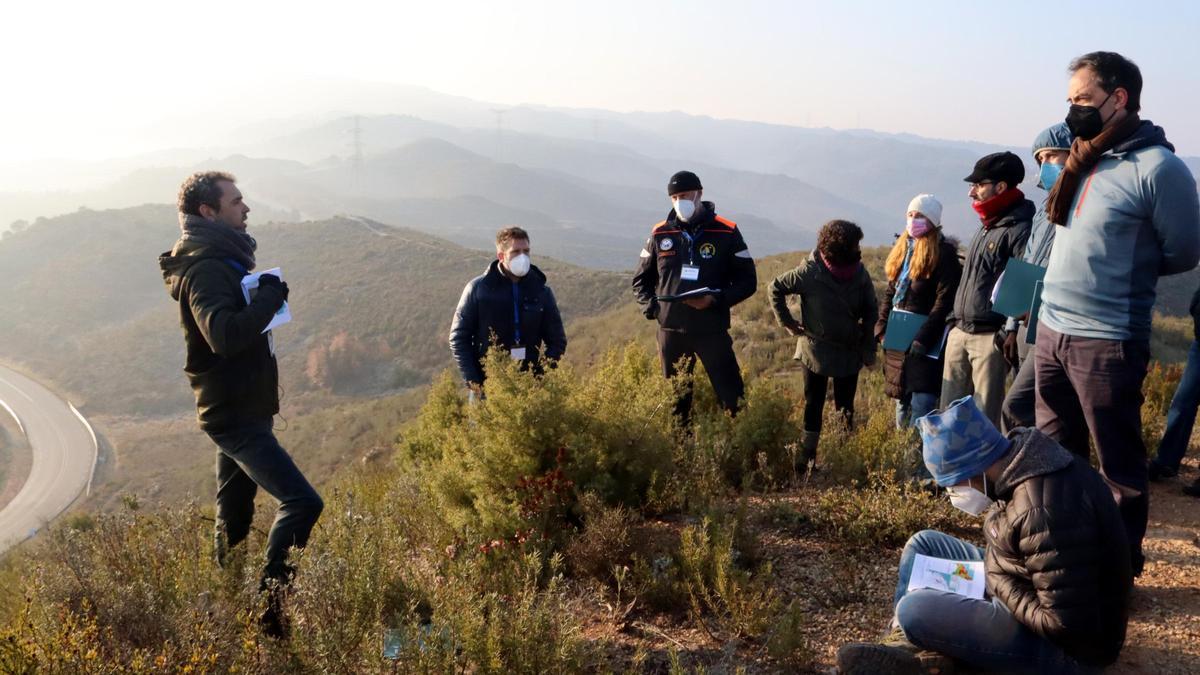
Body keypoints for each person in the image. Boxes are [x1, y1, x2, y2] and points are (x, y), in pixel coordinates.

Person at [1035, 51, 1200, 574]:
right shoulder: (1083, 159)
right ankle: (1066, 555)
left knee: (1118, 466)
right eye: (1070, 100)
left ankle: (1118, 568)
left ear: (1119, 98)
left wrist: (1128, 271)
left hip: (1107, 339)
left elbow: (1185, 251)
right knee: (1055, 454)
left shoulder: (1160, 168)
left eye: (1082, 99)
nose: (1072, 110)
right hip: (1052, 328)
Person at [837, 396, 1132, 675]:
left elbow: (1064, 624)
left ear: (972, 468)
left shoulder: (1040, 510)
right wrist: (995, 576)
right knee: (923, 543)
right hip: (1023, 582)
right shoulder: (1022, 462)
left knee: (913, 608)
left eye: (952, 485)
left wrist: (996, 582)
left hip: (1068, 653)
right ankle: (907, 644)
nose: (952, 495)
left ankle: (919, 641)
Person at [159, 171, 323, 637]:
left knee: (234, 512)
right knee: (302, 502)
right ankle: (270, 615)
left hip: (239, 407)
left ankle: (225, 602)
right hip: (233, 414)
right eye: (236, 201)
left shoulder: (220, 258)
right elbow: (225, 336)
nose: (245, 208)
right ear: (208, 212)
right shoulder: (207, 267)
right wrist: (269, 300)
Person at [632, 171, 757, 422]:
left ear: (699, 193)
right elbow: (640, 281)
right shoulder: (659, 233)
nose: (680, 201)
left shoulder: (727, 231)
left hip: (711, 330)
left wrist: (716, 300)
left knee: (733, 399)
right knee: (676, 404)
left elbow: (747, 282)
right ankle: (681, 457)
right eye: (675, 197)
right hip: (671, 332)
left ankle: (745, 453)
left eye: (685, 195)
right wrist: (654, 310)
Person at [769, 220, 877, 468]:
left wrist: (868, 348)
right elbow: (775, 288)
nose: (858, 249)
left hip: (849, 350)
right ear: (840, 247)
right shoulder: (809, 272)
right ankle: (806, 460)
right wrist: (786, 322)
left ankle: (843, 459)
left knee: (845, 408)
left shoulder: (859, 273)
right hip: (814, 350)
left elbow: (871, 312)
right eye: (854, 244)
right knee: (813, 404)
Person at [940, 151, 1033, 426]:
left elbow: (1022, 286)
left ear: (1001, 187)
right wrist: (953, 323)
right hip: (960, 330)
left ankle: (984, 471)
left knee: (984, 419)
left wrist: (1008, 331)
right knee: (949, 413)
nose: (971, 192)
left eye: (979, 185)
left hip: (989, 337)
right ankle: (951, 469)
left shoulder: (1020, 229)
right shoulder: (986, 226)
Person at [999, 123, 1073, 433]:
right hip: (1029, 321)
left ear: (1073, 155)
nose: (1044, 166)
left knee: (1020, 406)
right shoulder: (1044, 210)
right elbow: (1027, 262)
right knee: (1030, 408)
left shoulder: (1080, 207)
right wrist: (1011, 325)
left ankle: (1025, 475)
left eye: (1052, 156)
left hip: (1055, 321)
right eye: (1040, 159)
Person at [875, 194, 962, 430]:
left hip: (926, 343)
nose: (913, 220)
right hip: (897, 338)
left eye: (920, 215)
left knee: (922, 403)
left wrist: (923, 338)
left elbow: (944, 302)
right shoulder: (903, 250)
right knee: (902, 401)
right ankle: (901, 461)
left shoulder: (944, 255)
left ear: (933, 221)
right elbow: (891, 292)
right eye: (910, 215)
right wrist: (881, 328)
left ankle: (918, 462)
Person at [449, 226, 567, 390]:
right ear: (501, 256)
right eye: (516, 252)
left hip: (529, 384)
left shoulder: (541, 291)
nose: (522, 257)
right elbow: (458, 338)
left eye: (526, 251)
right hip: (488, 383)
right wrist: (475, 383)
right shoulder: (478, 289)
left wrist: (540, 376)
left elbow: (557, 341)